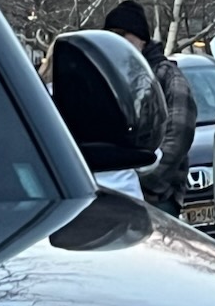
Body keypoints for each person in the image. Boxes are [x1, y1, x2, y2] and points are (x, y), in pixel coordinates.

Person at [103, 0, 197, 217]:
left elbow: (178, 136)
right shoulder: (112, 76)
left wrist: (146, 183)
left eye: (122, 34)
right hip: (118, 192)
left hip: (159, 196)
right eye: (110, 34)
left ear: (141, 38)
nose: (116, 40)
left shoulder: (168, 77)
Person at [39, 39, 146, 200]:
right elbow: (150, 154)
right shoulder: (113, 99)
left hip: (54, 201)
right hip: (122, 200)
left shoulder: (38, 100)